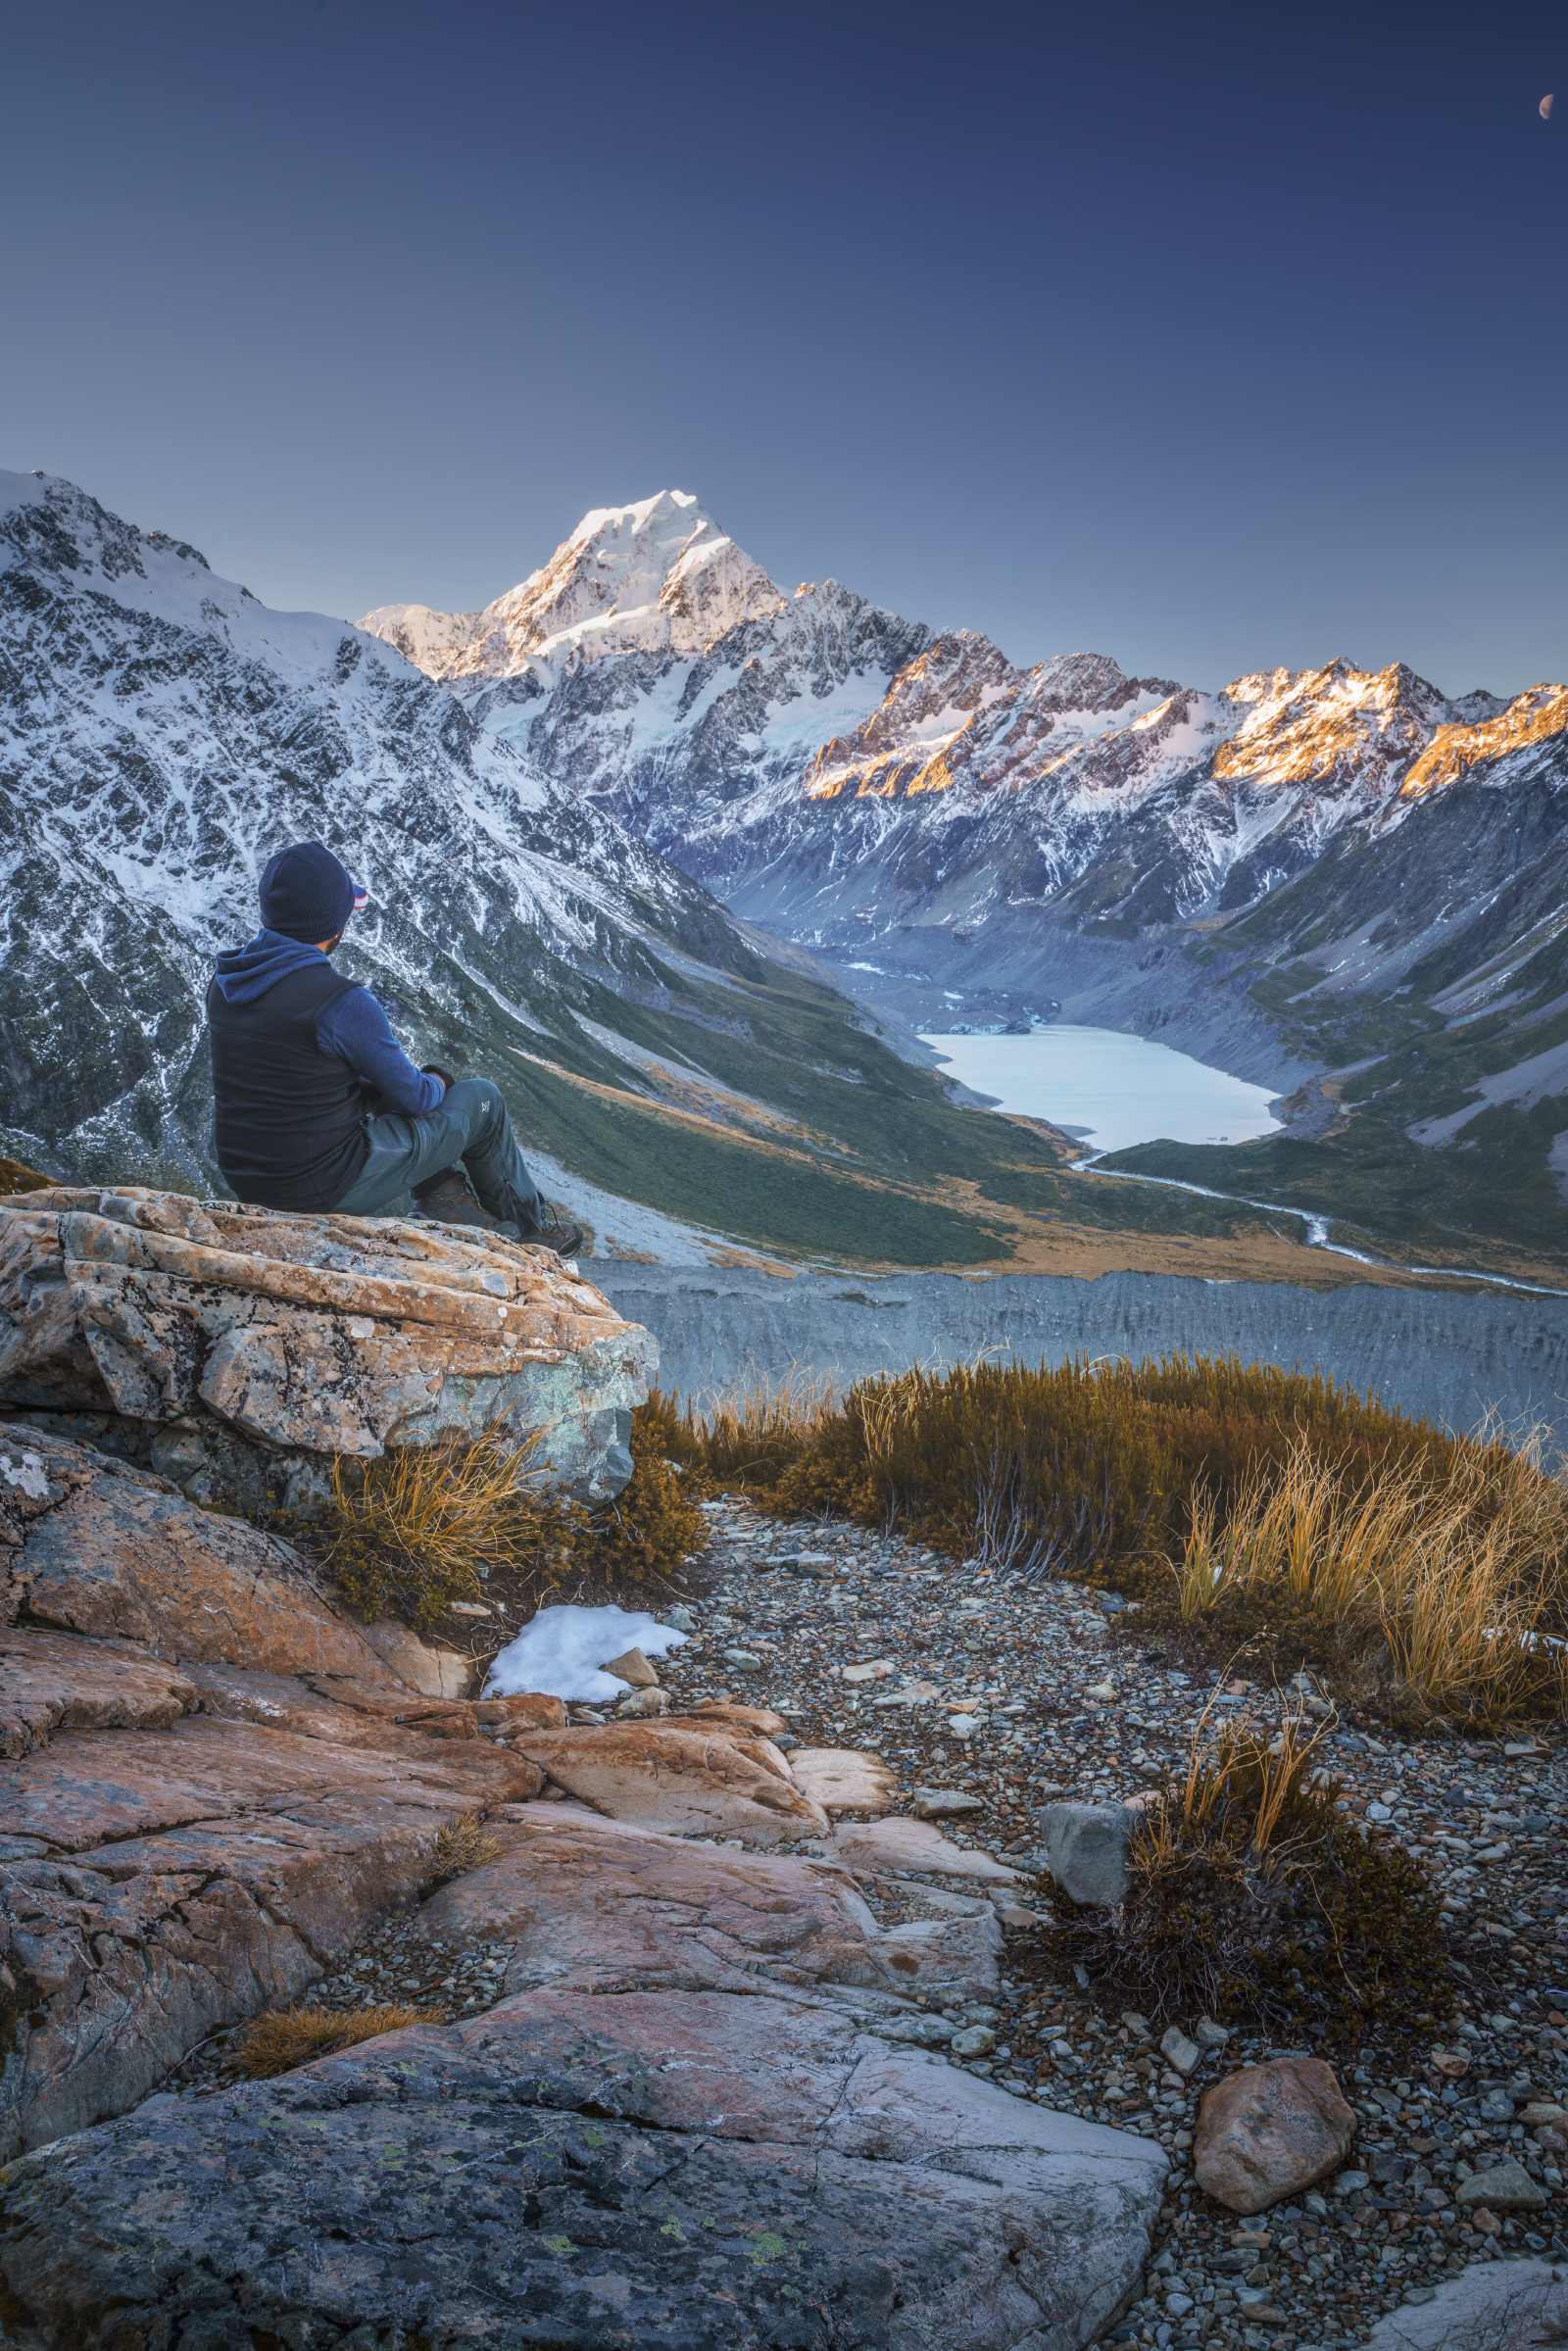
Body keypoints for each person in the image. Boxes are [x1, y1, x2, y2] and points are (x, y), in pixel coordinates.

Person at [207, 840, 582, 1253]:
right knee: (483, 1100)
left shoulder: (228, 983)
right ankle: (530, 1235)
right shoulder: (340, 1002)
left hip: (249, 1178)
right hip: (317, 1188)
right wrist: (439, 1077)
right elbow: (418, 1099)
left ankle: (445, 1197)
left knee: (374, 1077)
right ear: (334, 924)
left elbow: (293, 1075)